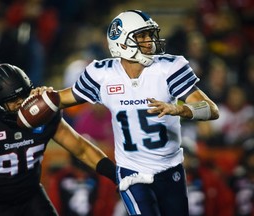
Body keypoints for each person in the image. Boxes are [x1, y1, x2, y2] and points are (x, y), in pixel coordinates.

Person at [56, 10, 220, 216]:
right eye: (141, 36)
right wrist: (43, 95)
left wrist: (180, 109)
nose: (149, 41)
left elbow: (211, 110)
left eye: (150, 35)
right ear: (121, 42)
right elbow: (60, 99)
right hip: (131, 172)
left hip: (170, 169)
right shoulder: (101, 74)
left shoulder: (169, 68)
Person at [0, 63, 116, 216]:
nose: (20, 103)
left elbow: (81, 149)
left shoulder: (42, 112)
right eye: (12, 100)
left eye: (23, 95)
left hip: (31, 195)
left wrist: (116, 175)